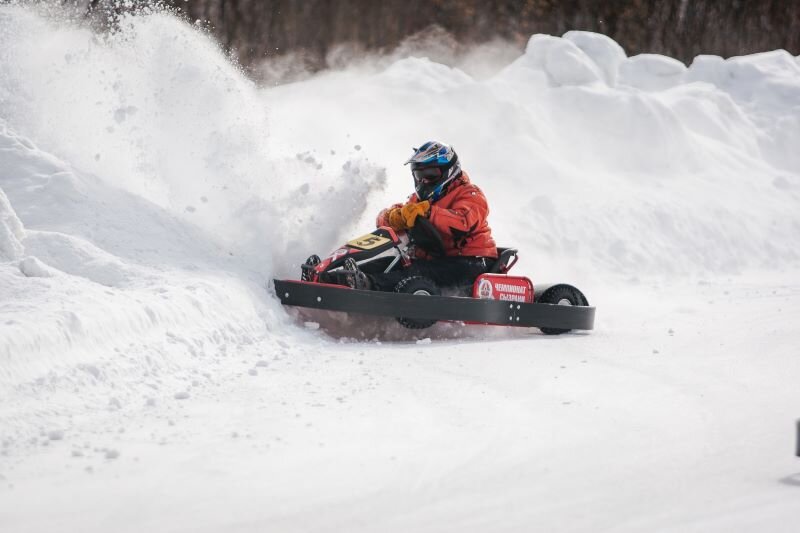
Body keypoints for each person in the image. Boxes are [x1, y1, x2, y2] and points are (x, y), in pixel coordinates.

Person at [345, 140, 497, 293]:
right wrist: (392, 217)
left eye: (430, 174)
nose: (424, 180)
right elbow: (397, 215)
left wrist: (428, 212)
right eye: (419, 175)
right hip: (437, 260)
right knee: (388, 264)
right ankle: (338, 278)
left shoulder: (471, 194)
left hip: (470, 263)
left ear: (449, 171)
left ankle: (367, 286)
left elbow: (462, 222)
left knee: (416, 271)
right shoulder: (420, 200)